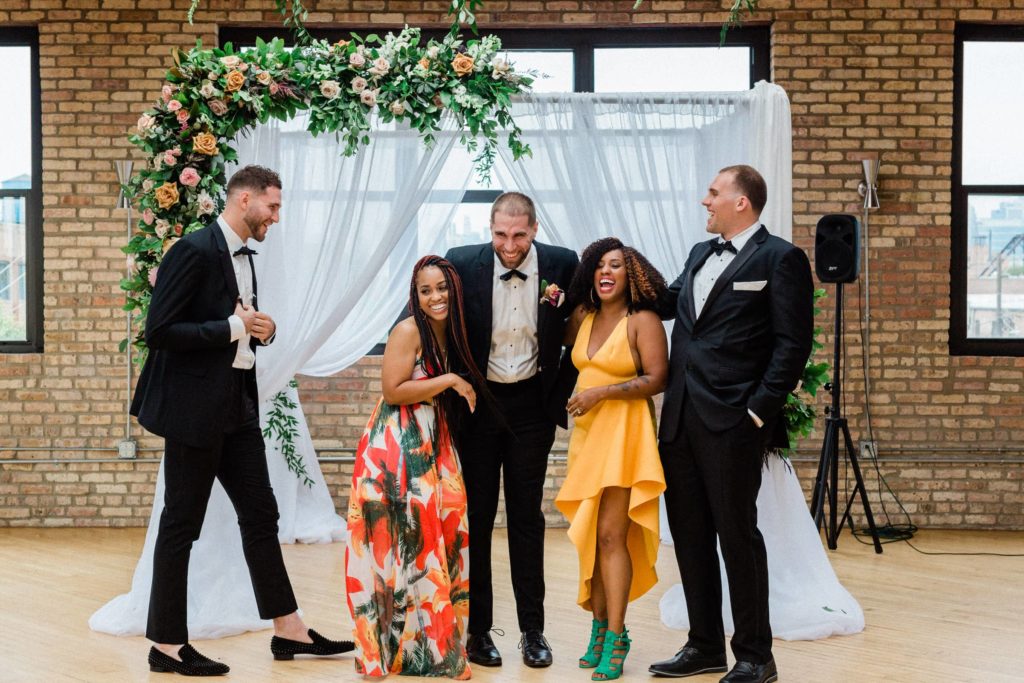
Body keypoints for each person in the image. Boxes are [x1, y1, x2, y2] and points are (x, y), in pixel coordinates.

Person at [131, 165, 351, 676]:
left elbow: (240, 323)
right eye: (272, 206)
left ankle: (289, 631)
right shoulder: (192, 249)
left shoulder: (245, 255)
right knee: (180, 526)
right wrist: (233, 326)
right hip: (194, 415)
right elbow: (160, 330)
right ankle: (165, 646)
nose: (277, 216)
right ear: (244, 199)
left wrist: (262, 329)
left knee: (261, 516)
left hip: (238, 408)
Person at [649, 165, 814, 683]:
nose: (706, 201)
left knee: (736, 536)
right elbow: (665, 304)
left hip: (734, 421)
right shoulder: (700, 254)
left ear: (742, 202)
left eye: (714, 193)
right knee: (689, 533)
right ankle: (704, 646)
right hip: (680, 418)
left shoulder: (780, 258)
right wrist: (605, 275)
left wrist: (757, 411)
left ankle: (755, 656)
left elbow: (793, 346)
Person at [444, 192, 579, 669]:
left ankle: (532, 631)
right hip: (479, 405)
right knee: (477, 518)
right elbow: (429, 319)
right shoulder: (462, 263)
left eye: (519, 235)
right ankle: (478, 632)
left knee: (527, 519)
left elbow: (582, 329)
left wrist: (558, 395)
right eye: (501, 234)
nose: (509, 244)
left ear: (535, 230)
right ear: (490, 227)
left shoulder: (564, 264)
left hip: (531, 408)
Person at [344, 255, 484, 679]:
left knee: (437, 536)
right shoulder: (408, 329)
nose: (435, 296)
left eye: (441, 287)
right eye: (426, 290)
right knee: (411, 543)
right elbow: (393, 390)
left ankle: (426, 645)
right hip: (396, 446)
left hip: (429, 439)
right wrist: (450, 381)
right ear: (415, 294)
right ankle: (403, 648)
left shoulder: (445, 328)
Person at [555, 238, 669, 681]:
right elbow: (555, 343)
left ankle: (618, 635)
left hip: (626, 436)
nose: (606, 272)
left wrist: (601, 392)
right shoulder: (582, 316)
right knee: (590, 538)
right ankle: (599, 628)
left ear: (631, 274)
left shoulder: (642, 319)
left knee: (610, 537)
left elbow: (658, 378)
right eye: (599, 265)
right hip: (588, 437)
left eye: (616, 265)